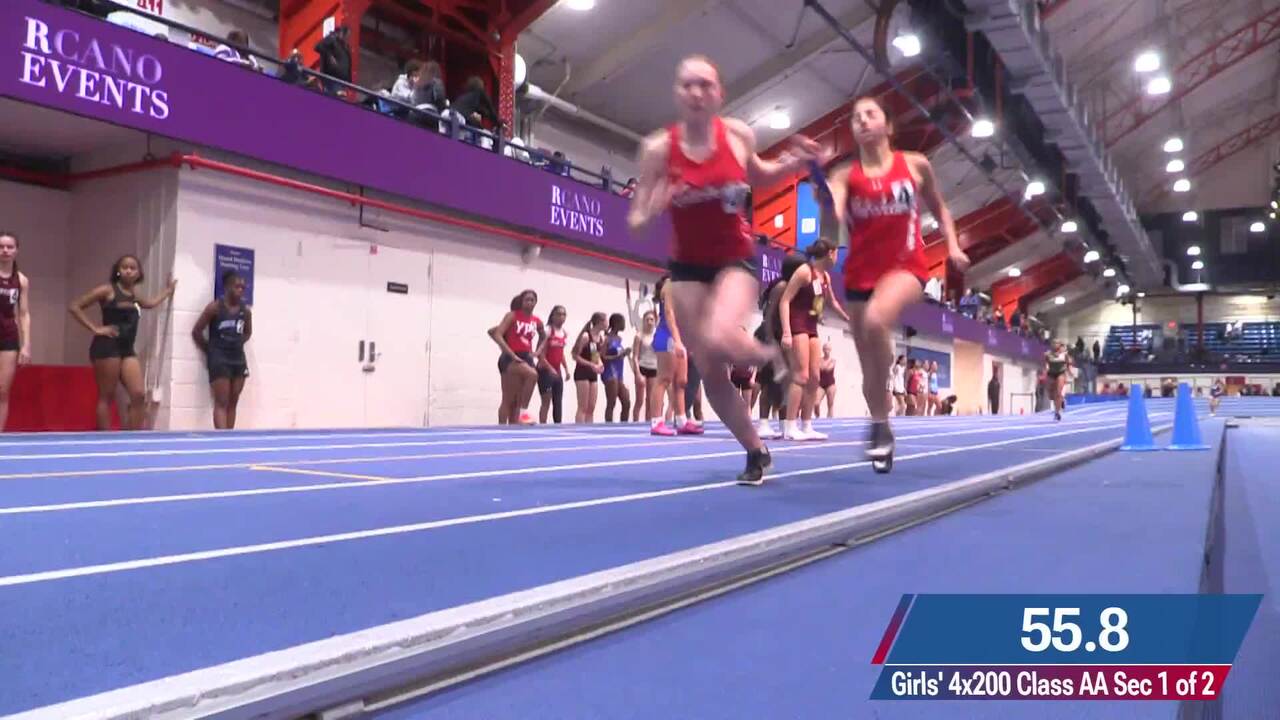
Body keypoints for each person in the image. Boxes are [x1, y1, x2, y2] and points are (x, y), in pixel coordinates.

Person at [627, 55, 825, 485]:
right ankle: (756, 451)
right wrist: (656, 202)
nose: (697, 93)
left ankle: (772, 355)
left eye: (705, 85)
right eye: (688, 85)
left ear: (720, 94)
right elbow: (636, 221)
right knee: (711, 371)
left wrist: (793, 163)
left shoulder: (737, 135)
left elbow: (760, 175)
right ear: (677, 93)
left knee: (719, 333)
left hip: (735, 257)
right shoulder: (658, 150)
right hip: (686, 267)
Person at [823, 95, 970, 463]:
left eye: (870, 114)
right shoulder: (844, 175)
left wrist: (953, 246)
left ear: (888, 125)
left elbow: (941, 209)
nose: (862, 120)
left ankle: (885, 350)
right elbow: (831, 224)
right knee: (869, 371)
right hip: (859, 275)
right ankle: (880, 425)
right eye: (855, 117)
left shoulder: (915, 165)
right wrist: (825, 202)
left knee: (877, 320)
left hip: (906, 267)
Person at [69, 255, 176, 430]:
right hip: (107, 347)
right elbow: (75, 306)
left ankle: (131, 438)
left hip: (127, 349)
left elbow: (150, 303)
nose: (128, 271)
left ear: (138, 273)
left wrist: (168, 291)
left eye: (132, 268)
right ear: (118, 271)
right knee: (107, 396)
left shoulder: (135, 295)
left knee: (138, 395)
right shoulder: (107, 290)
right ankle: (105, 440)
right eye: (124, 267)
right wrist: (96, 328)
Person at [778, 238, 848, 441]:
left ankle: (807, 425)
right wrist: (786, 332)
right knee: (801, 376)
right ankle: (790, 426)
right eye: (836, 254)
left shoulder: (825, 277)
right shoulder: (804, 272)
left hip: (812, 327)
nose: (837, 258)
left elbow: (832, 302)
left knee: (815, 378)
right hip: (797, 325)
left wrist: (849, 318)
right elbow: (785, 301)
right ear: (830, 253)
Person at [191, 271, 252, 429]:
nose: (241, 290)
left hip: (238, 358)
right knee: (222, 401)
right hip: (220, 358)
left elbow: (248, 333)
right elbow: (196, 331)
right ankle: (221, 438)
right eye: (237, 286)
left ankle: (230, 437)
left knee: (233, 401)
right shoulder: (215, 307)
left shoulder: (245, 311)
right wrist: (210, 350)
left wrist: (237, 343)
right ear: (227, 286)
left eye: (243, 287)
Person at [647, 276, 696, 436]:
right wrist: (677, 340)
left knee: (681, 381)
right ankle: (656, 422)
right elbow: (669, 313)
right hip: (667, 337)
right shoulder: (670, 284)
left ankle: (681, 420)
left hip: (679, 338)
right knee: (664, 379)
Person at [488, 290, 544, 425]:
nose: (530, 302)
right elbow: (495, 333)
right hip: (511, 358)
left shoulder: (536, 321)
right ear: (521, 302)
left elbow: (543, 336)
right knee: (531, 376)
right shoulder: (512, 316)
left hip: (526, 357)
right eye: (527, 300)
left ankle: (514, 429)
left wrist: (537, 352)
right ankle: (519, 417)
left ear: (536, 302)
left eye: (532, 300)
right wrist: (509, 352)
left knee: (515, 400)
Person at [0, 232, 31, 431]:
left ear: (16, 250)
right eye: (1, 246)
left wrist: (26, 345)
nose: (5, 250)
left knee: (2, 390)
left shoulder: (21, 280)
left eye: (9, 247)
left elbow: (24, 313)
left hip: (8, 337)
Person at [536, 305, 569, 424]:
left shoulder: (564, 333)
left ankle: (558, 426)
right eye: (559, 314)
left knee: (558, 401)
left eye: (564, 314)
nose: (561, 317)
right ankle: (542, 426)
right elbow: (540, 353)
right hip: (545, 370)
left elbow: (561, 353)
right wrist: (550, 368)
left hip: (557, 371)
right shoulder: (547, 331)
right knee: (546, 401)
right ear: (553, 316)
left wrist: (566, 369)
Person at [573, 312, 607, 424]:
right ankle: (579, 429)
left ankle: (589, 430)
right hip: (582, 372)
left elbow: (594, 355)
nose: (608, 323)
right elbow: (575, 355)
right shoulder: (586, 336)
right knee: (582, 406)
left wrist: (600, 364)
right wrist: (591, 365)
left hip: (592, 373)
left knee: (591, 408)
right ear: (600, 322)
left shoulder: (600, 338)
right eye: (606, 321)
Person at [602, 313, 632, 423]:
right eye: (622, 322)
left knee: (626, 402)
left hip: (619, 372)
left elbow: (619, 355)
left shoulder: (619, 339)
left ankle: (624, 425)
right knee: (612, 401)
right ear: (616, 323)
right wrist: (617, 356)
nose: (624, 324)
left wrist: (625, 354)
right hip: (609, 372)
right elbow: (602, 357)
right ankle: (608, 426)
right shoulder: (607, 339)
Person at [631, 310, 658, 422]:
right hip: (642, 367)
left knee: (650, 400)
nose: (649, 322)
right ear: (643, 321)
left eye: (652, 319)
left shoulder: (657, 335)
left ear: (655, 321)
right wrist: (637, 373)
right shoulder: (639, 336)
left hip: (654, 368)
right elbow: (635, 356)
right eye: (647, 319)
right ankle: (635, 422)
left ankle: (649, 422)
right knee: (639, 400)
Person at [1044, 339, 1072, 421]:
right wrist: (1045, 370)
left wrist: (1070, 372)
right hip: (1051, 374)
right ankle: (1062, 400)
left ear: (1059, 345)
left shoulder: (1064, 354)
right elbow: (1045, 363)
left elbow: (1069, 364)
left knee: (1058, 392)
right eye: (1053, 343)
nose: (1055, 345)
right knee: (1051, 396)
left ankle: (1057, 412)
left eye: (1056, 343)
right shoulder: (1047, 354)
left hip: (1061, 373)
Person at [816, 343, 836, 419]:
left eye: (828, 349)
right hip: (821, 384)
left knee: (830, 404)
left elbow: (828, 369)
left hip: (830, 384)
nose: (826, 351)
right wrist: (822, 366)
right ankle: (817, 417)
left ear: (830, 350)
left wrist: (822, 366)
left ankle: (830, 420)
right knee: (816, 403)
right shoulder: (819, 360)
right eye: (825, 349)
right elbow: (819, 368)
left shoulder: (833, 360)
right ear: (823, 350)